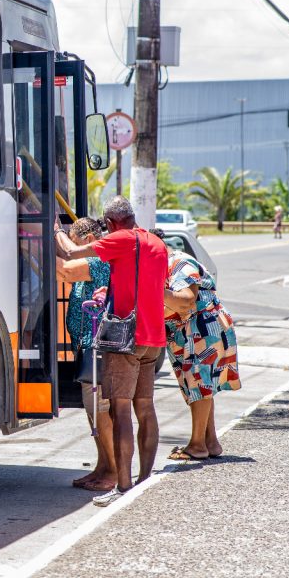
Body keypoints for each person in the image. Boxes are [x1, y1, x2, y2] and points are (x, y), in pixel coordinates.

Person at [55, 196, 168, 507]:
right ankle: (145, 480)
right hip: (153, 338)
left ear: (113, 223)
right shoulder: (156, 243)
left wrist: (53, 229)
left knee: (119, 412)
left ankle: (122, 485)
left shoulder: (120, 239)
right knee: (145, 409)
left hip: (125, 338)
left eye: (106, 225)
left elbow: (70, 252)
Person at [161, 240, 242, 460]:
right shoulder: (170, 263)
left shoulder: (178, 262)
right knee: (201, 385)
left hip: (201, 328)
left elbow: (187, 300)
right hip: (197, 329)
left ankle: (197, 445)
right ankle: (210, 442)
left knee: (199, 384)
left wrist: (152, 288)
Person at [55, 217, 116, 492]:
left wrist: (52, 235)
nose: (76, 250)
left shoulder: (99, 259)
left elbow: (66, 269)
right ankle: (102, 467)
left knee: (101, 411)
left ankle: (112, 470)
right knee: (94, 412)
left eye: (78, 244)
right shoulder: (92, 258)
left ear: (89, 239)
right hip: (86, 345)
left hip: (98, 347)